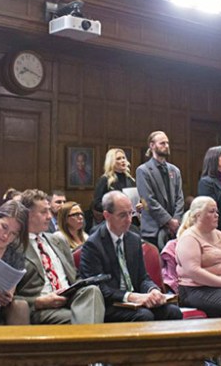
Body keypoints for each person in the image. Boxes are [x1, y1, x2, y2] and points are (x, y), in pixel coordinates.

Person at [79, 191, 182, 322]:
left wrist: (152, 290)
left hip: (135, 301)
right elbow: (100, 288)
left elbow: (143, 277)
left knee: (173, 312)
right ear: (107, 215)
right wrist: (133, 297)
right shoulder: (93, 245)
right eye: (122, 215)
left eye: (130, 213)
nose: (129, 220)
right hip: (110, 304)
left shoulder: (133, 239)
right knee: (145, 316)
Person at [17, 189, 104, 324]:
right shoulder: (15, 246)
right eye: (43, 212)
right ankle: (89, 338)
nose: (49, 217)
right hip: (43, 306)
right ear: (27, 215)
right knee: (79, 319)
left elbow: (74, 277)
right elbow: (9, 296)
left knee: (93, 290)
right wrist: (38, 302)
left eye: (49, 211)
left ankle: (87, 335)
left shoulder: (57, 241)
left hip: (69, 297)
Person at [136, 131, 184, 249]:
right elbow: (148, 200)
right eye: (162, 143)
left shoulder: (175, 170)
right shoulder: (143, 170)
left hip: (174, 230)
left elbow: (180, 198)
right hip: (153, 230)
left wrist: (176, 220)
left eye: (167, 143)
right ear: (152, 145)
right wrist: (169, 221)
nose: (166, 146)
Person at [93, 148, 136, 218]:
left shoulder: (131, 180)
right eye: (118, 159)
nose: (123, 161)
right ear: (111, 162)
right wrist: (114, 208)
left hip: (131, 218)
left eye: (124, 158)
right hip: (114, 219)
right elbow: (96, 204)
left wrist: (140, 205)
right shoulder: (105, 180)